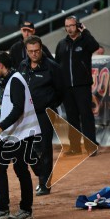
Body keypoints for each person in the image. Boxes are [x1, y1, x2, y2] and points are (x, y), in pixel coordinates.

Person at [0, 51, 41, 219]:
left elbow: (18, 109)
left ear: (1, 65)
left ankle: (26, 209)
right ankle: (2, 208)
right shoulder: (8, 80)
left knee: (20, 169)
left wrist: (0, 126)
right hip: (10, 133)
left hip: (22, 134)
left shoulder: (15, 80)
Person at [19, 36, 64, 196]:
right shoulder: (23, 66)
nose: (34, 54)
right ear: (26, 51)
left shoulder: (52, 67)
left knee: (44, 149)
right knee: (26, 148)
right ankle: (40, 172)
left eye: (36, 51)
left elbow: (61, 91)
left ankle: (44, 184)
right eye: (30, 51)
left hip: (45, 114)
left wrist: (50, 105)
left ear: (41, 48)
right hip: (26, 115)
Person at [55, 16, 99, 157]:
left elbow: (95, 46)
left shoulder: (85, 41)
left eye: (72, 25)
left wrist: (85, 31)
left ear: (78, 26)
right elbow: (57, 64)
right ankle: (75, 147)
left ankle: (91, 146)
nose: (69, 29)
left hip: (82, 86)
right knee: (72, 117)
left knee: (86, 115)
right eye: (67, 26)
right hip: (67, 87)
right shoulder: (62, 44)